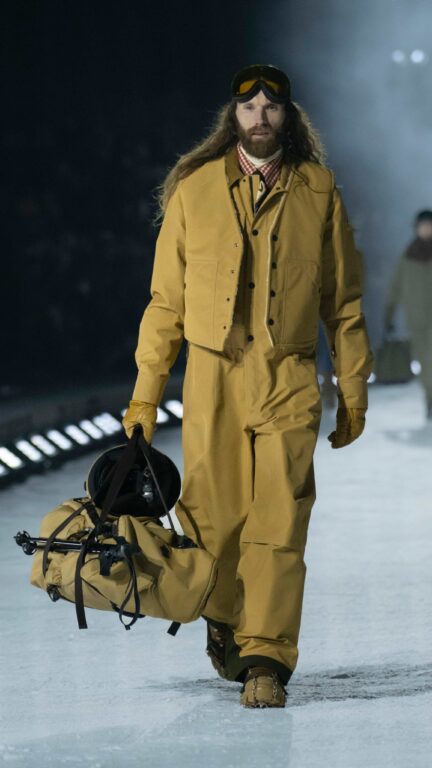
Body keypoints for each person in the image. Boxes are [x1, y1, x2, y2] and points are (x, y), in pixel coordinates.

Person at [122, 63, 374, 708]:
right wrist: (145, 396)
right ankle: (225, 619)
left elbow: (342, 302)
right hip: (213, 378)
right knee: (214, 520)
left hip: (289, 374)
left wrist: (353, 389)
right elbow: (165, 304)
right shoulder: (195, 190)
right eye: (248, 107)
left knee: (280, 521)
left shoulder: (319, 190)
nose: (260, 116)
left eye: (272, 106)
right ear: (231, 117)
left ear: (289, 116)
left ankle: (265, 659)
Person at [385, 209, 432, 419]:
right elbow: (395, 287)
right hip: (417, 319)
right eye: (423, 225)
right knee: (425, 362)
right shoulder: (408, 256)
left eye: (429, 225)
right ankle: (430, 399)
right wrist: (388, 315)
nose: (426, 229)